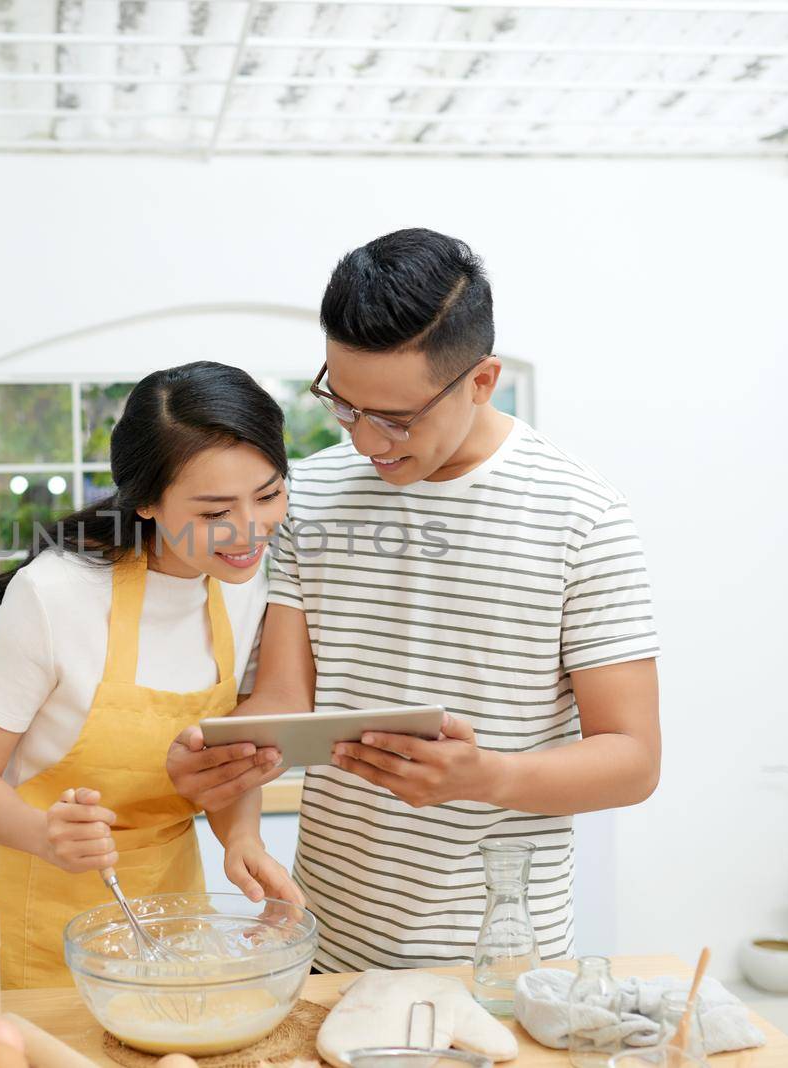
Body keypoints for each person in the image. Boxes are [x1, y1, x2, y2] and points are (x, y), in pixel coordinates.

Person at [167, 229, 662, 970]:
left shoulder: (582, 516)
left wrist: (486, 776)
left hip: (500, 961)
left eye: (397, 418)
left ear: (483, 379)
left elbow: (633, 759)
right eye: (344, 404)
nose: (367, 442)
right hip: (324, 950)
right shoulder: (315, 495)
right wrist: (221, 759)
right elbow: (283, 697)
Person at [0, 361, 304, 989]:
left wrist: (241, 838)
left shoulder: (242, 585)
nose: (249, 529)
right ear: (146, 503)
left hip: (172, 922)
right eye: (216, 510)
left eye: (268, 495)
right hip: (43, 935)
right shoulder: (54, 594)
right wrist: (45, 834)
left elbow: (223, 755)